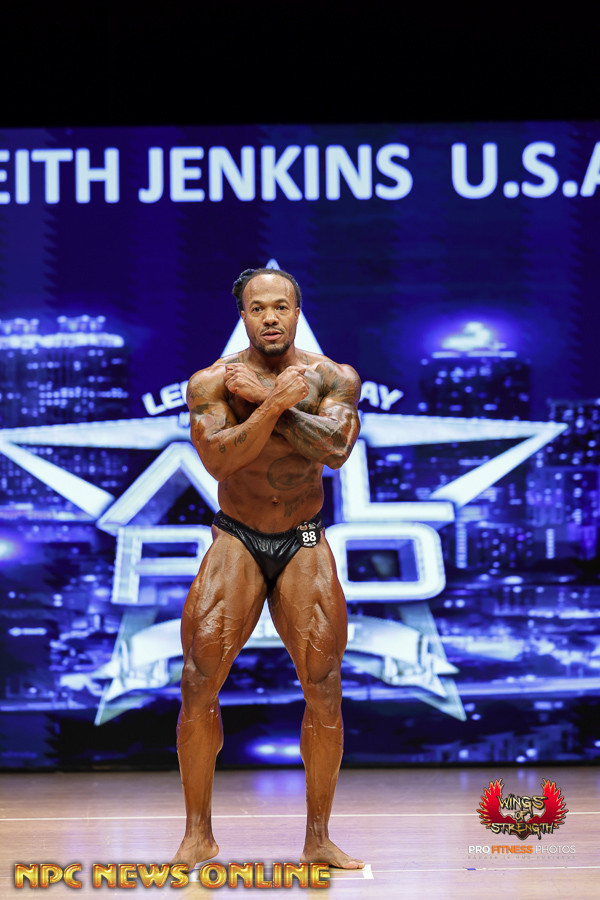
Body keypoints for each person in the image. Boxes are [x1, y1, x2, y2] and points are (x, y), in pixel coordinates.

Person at [172, 267, 363, 870]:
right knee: (198, 681)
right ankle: (198, 835)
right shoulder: (211, 382)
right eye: (258, 308)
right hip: (238, 535)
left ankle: (318, 839)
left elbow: (335, 450)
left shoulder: (334, 377)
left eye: (281, 306)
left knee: (324, 686)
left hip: (304, 535)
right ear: (244, 316)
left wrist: (267, 403)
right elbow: (219, 462)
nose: (271, 318)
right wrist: (271, 405)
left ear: (297, 312)